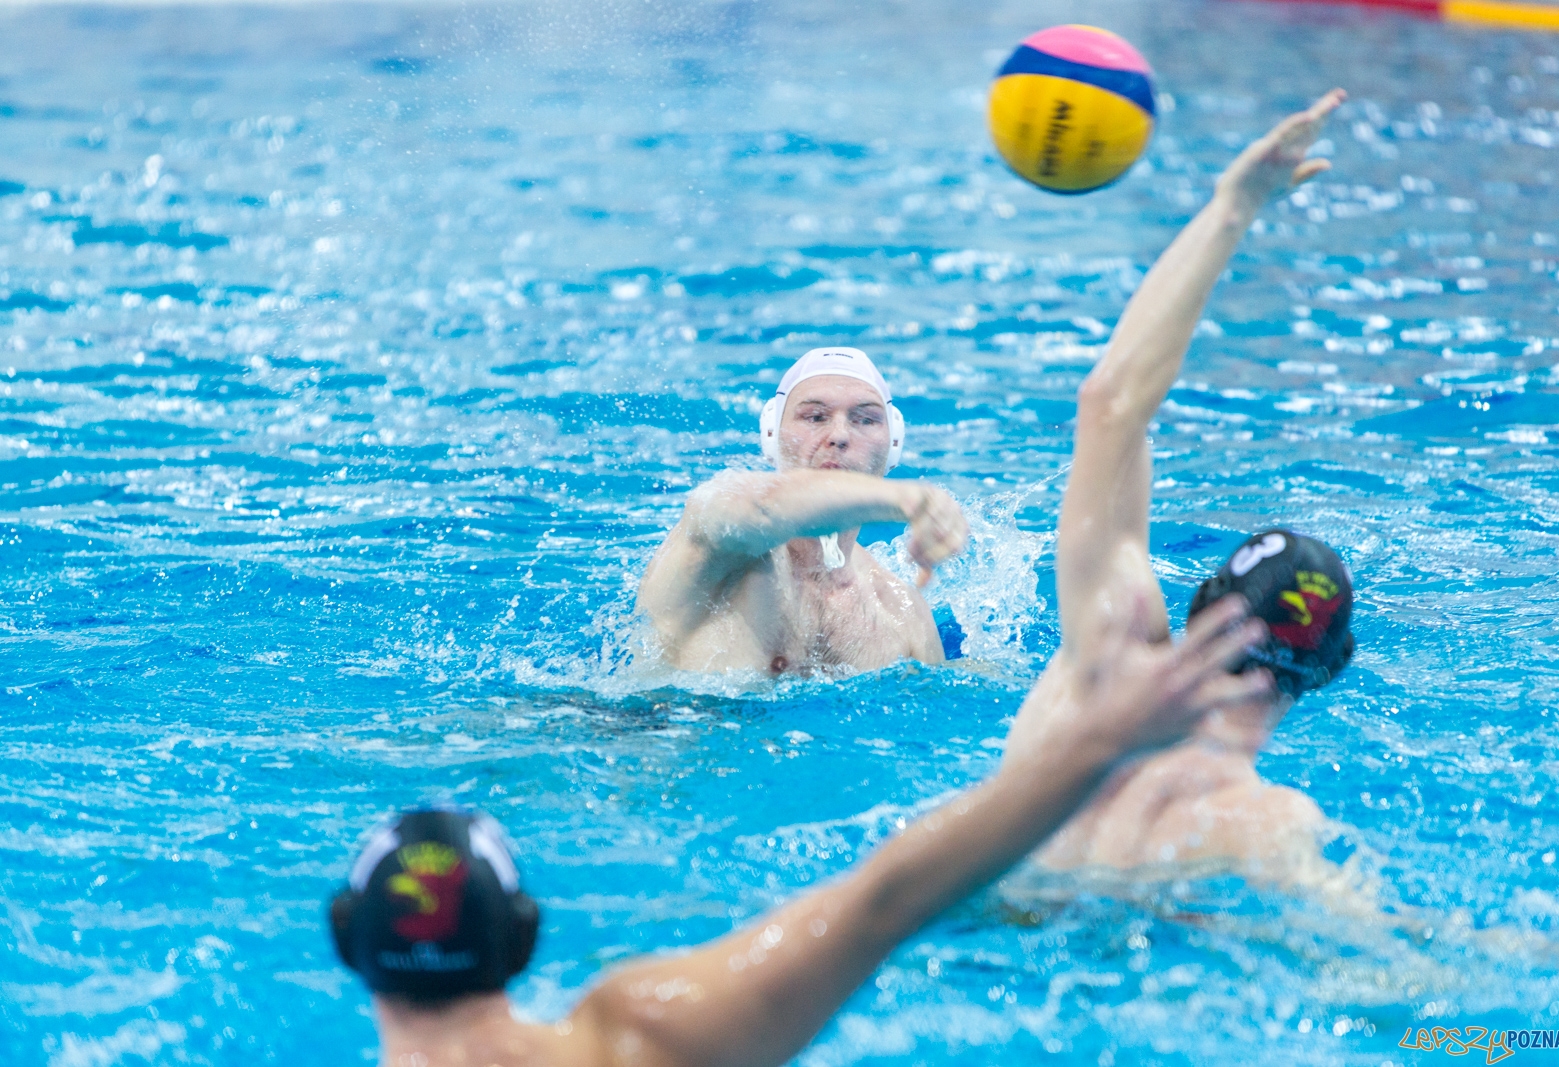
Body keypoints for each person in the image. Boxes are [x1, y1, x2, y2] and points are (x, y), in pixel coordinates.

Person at [328, 595, 1274, 1067]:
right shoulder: (640, 1035)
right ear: (524, 934)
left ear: (345, 941)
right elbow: (885, 900)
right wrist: (1098, 742)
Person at [1001, 89, 1359, 882]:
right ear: (1333, 668)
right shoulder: (1264, 823)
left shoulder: (1108, 657)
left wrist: (1235, 206)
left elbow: (1111, 405)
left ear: (1203, 607)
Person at [637, 347, 970, 675]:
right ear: (772, 435)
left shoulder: (903, 614)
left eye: (865, 420)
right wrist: (905, 500)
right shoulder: (721, 544)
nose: (839, 435)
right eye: (815, 417)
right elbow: (758, 508)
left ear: (892, 446)